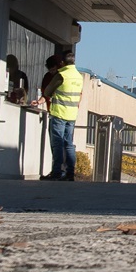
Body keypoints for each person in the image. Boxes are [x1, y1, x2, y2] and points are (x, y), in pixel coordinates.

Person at [42, 48, 84, 181]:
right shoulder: (79, 76)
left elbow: (47, 92)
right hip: (72, 115)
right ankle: (70, 173)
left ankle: (57, 172)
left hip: (59, 114)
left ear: (62, 62)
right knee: (69, 144)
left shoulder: (61, 75)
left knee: (57, 144)